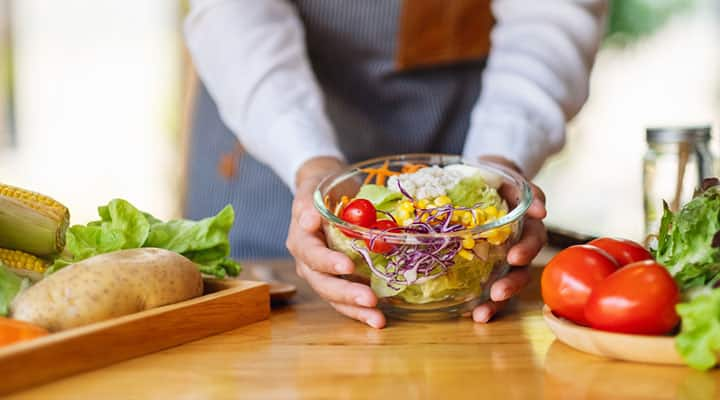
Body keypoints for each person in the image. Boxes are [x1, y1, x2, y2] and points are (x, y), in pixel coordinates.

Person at [183, 0, 607, 328]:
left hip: (469, 117)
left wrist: (500, 158)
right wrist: (309, 162)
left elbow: (548, 14)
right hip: (266, 116)